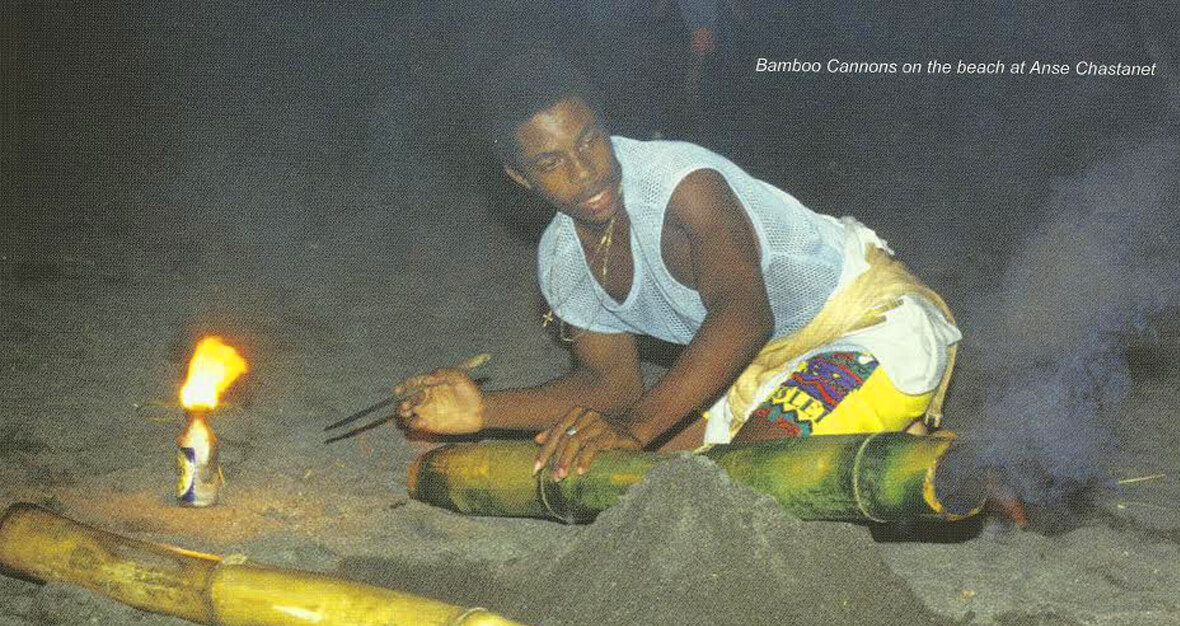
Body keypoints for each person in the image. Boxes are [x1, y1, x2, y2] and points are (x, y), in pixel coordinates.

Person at [398, 50, 961, 483]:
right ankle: (903, 446)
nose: (586, 172)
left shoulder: (683, 185)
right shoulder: (561, 262)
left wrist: (637, 426)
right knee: (605, 472)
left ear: (604, 125)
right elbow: (612, 386)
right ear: (520, 178)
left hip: (869, 325)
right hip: (751, 370)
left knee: (744, 478)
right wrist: (481, 411)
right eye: (551, 163)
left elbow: (743, 315)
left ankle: (932, 453)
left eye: (590, 141)